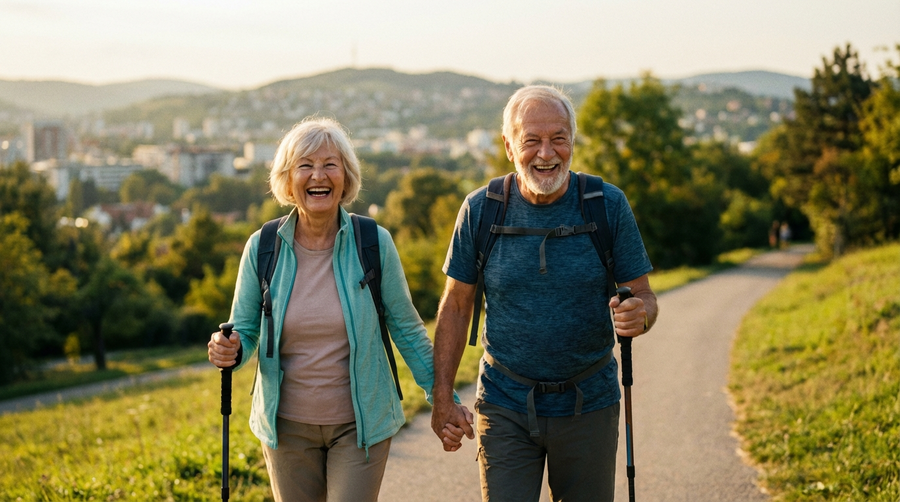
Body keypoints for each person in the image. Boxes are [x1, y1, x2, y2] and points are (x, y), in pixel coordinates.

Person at [208, 117, 460, 502]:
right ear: (288, 180)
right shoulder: (262, 248)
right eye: (304, 166)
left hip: (360, 428)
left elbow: (408, 331)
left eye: (330, 164)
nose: (317, 176)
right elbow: (245, 330)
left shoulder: (373, 243)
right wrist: (232, 349)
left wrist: (443, 400)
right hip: (286, 429)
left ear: (346, 176)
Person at [430, 85, 659, 502]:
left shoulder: (606, 205)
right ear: (508, 145)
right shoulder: (481, 209)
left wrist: (639, 315)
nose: (546, 153)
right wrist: (441, 395)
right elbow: (457, 304)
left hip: (589, 403)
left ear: (573, 141)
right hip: (504, 403)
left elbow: (644, 296)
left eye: (559, 139)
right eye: (531, 140)